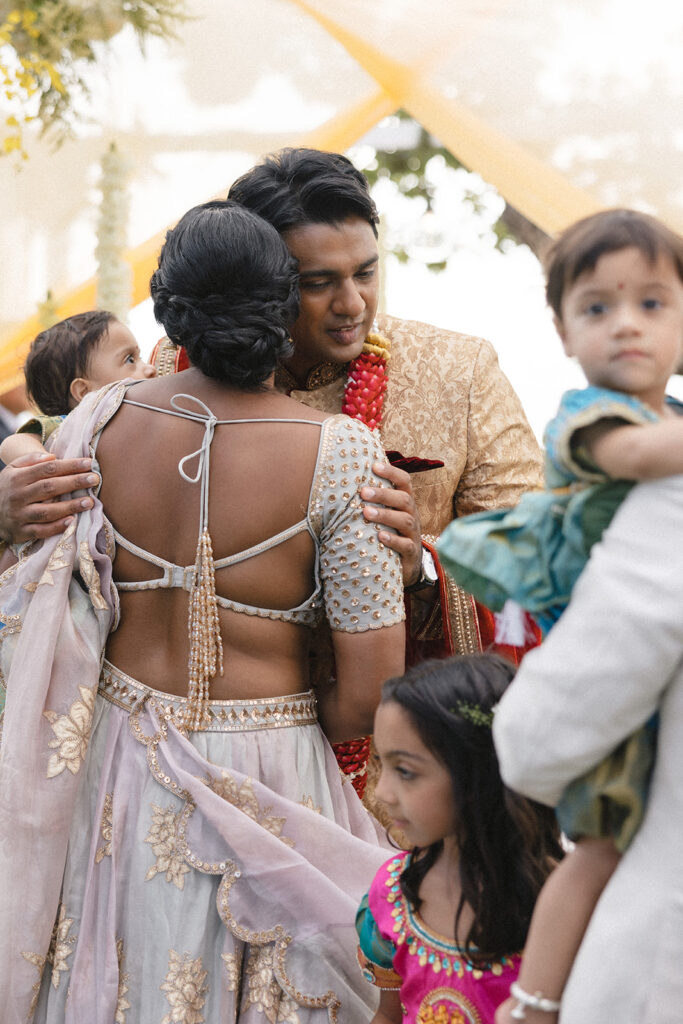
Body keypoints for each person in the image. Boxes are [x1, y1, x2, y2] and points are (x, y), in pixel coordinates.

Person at [0, 200, 406, 1022]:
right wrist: (284, 722)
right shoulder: (341, 452)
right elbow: (370, 695)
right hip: (275, 772)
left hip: (115, 762)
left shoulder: (97, 421)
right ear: (283, 306)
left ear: (167, 309)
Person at [0, 149, 543, 674]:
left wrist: (422, 569)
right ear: (263, 279)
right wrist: (9, 509)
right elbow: (72, 508)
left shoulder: (458, 371)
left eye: (366, 273)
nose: (353, 304)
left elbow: (539, 558)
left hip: (390, 723)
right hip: (195, 712)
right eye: (318, 283)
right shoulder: (170, 370)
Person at [437, 209, 683, 1022]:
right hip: (597, 647)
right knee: (597, 846)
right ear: (562, 330)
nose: (626, 325)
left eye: (651, 303)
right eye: (597, 307)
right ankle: (533, 999)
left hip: (636, 670)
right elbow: (640, 460)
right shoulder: (590, 418)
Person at [355, 655, 563, 1024]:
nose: (382, 792)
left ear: (480, 772)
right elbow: (388, 1015)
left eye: (405, 771)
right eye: (382, 764)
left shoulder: (563, 903)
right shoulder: (392, 892)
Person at [0, 311, 156, 465]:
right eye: (130, 360)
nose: (150, 369)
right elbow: (11, 444)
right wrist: (48, 463)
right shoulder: (71, 426)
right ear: (84, 392)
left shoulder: (145, 417)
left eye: (140, 357)